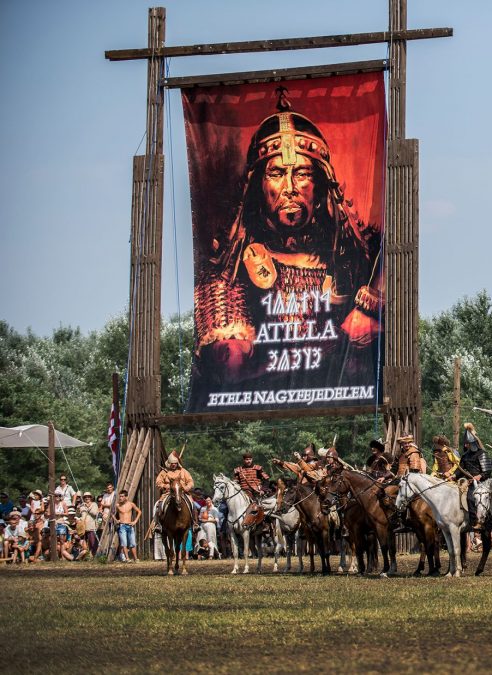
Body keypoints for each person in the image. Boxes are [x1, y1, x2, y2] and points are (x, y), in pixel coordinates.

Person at [190, 87, 383, 386]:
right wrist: (339, 343)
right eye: (277, 173)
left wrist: (376, 316)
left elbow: (400, 308)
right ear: (259, 186)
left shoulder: (357, 253)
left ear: (319, 185)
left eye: (303, 174)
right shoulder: (228, 270)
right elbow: (232, 368)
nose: (290, 187)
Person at [456, 423, 492, 527]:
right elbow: (460, 470)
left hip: (482, 483)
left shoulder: (482, 453)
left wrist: (479, 476)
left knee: (471, 498)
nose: (466, 445)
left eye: (468, 443)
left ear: (473, 443)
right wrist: (453, 476)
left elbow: (487, 471)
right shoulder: (465, 456)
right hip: (469, 482)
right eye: (465, 443)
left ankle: (476, 521)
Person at [154, 452, 196, 524]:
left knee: (193, 505)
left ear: (177, 463)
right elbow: (158, 482)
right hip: (168, 493)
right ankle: (158, 524)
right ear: (169, 463)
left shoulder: (183, 471)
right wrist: (164, 486)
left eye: (175, 463)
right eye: (172, 463)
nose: (173, 465)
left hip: (183, 493)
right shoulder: (164, 472)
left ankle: (194, 523)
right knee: (159, 505)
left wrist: (187, 487)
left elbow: (190, 482)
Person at [114, 490, 142, 563]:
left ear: (126, 497)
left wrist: (135, 521)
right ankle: (127, 558)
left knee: (133, 543)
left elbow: (139, 511)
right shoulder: (117, 505)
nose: (120, 498)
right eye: (120, 496)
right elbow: (112, 514)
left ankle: (136, 559)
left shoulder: (131, 504)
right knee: (124, 543)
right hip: (122, 525)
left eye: (122, 496)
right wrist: (116, 520)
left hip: (130, 525)